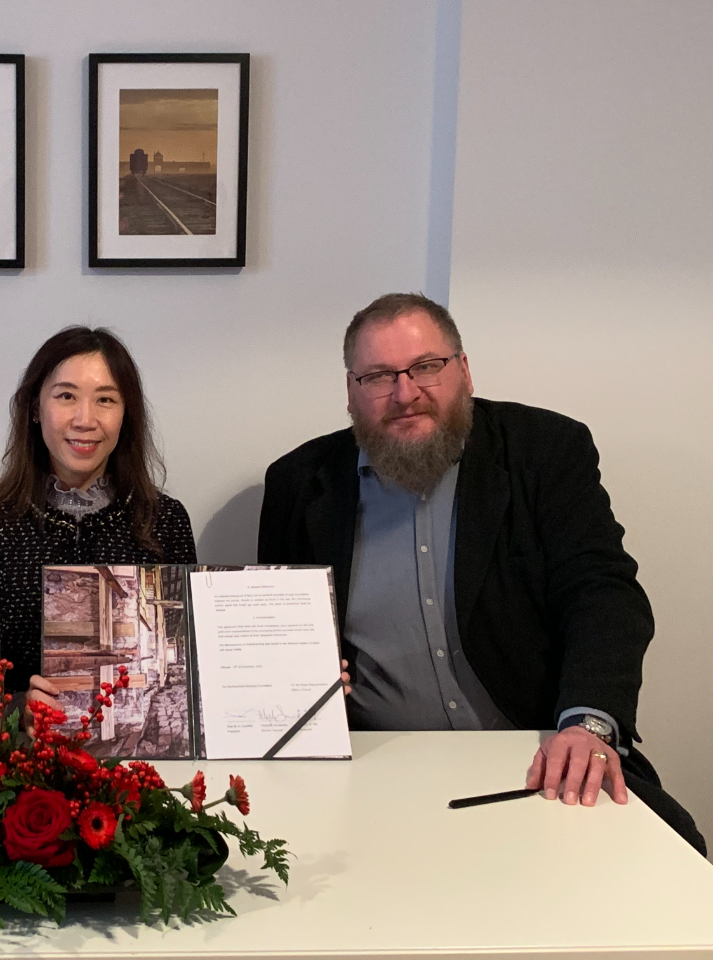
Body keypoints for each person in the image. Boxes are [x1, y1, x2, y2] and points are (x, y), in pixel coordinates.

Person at [258, 292, 705, 854]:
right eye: (378, 376)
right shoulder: (298, 484)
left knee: (675, 858)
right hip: (372, 775)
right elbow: (273, 638)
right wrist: (298, 677)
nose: (405, 393)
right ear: (351, 391)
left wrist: (587, 726)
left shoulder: (544, 451)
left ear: (464, 370)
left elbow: (602, 593)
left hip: (538, 757)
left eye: (426, 366)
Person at [0, 326, 196, 698]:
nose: (85, 419)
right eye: (66, 396)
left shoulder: (165, 521)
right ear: (35, 408)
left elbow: (185, 668)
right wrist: (16, 708)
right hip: (15, 735)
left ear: (126, 413)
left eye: (105, 400)